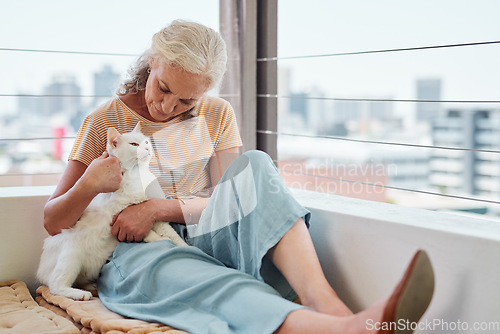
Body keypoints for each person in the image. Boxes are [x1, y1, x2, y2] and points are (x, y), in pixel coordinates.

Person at [42, 20, 434, 334]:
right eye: (163, 88)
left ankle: (327, 305)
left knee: (257, 165)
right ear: (153, 60)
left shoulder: (217, 115)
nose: (167, 106)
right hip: (137, 248)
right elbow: (53, 220)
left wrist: (159, 208)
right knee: (203, 278)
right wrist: (91, 182)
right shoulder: (104, 122)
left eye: (186, 101)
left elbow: (234, 199)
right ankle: (344, 330)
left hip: (203, 231)